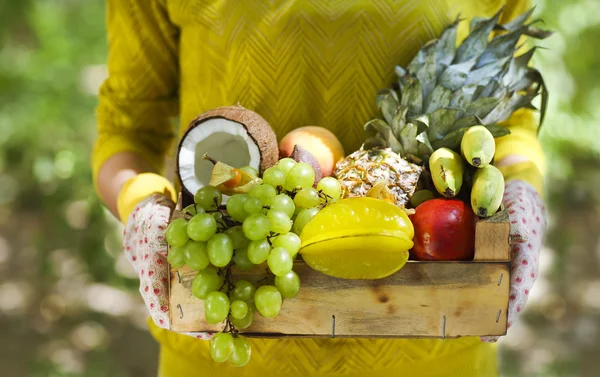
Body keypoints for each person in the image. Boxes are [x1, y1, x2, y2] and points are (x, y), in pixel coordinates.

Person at [93, 0, 547, 376]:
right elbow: (125, 129)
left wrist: (524, 188)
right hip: (228, 346)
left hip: (433, 352)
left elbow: (511, 127)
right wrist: (140, 204)